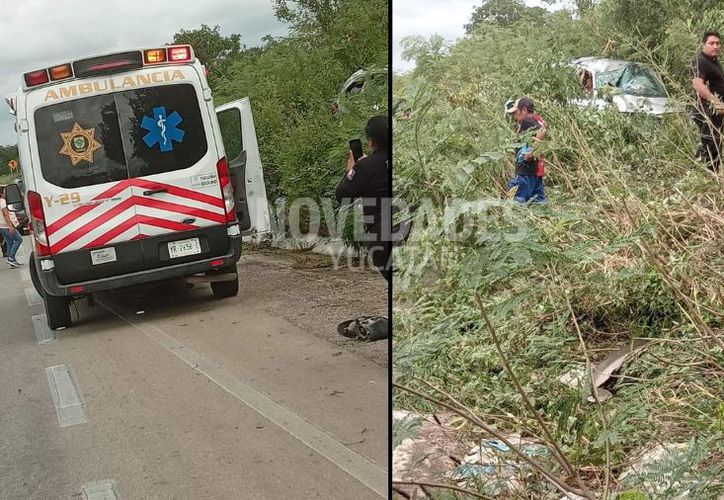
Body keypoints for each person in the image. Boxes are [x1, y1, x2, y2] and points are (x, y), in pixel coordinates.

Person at [335, 116, 391, 282]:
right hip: (404, 228)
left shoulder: (365, 167)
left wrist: (351, 171)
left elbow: (343, 195)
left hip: (381, 237)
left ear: (371, 142)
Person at [691, 30, 724, 172]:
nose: (715, 46)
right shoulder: (701, 61)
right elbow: (698, 84)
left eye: (718, 43)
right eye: (712, 43)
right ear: (703, 45)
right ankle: (707, 176)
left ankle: (702, 170)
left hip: (716, 114)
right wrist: (715, 102)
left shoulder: (714, 62)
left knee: (714, 145)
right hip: (707, 112)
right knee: (711, 145)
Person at [505, 97, 546, 203]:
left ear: (523, 110)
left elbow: (542, 131)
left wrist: (531, 153)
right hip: (536, 171)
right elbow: (543, 129)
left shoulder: (527, 120)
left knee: (512, 202)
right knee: (539, 203)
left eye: (516, 112)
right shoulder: (537, 118)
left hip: (525, 172)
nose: (515, 116)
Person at [0, 189, 23, 268]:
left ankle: (12, 261)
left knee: (10, 242)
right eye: (4, 192)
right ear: (1, 193)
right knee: (19, 239)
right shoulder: (2, 201)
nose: (6, 194)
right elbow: (5, 214)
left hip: (2, 226)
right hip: (7, 225)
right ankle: (11, 258)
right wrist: (10, 226)